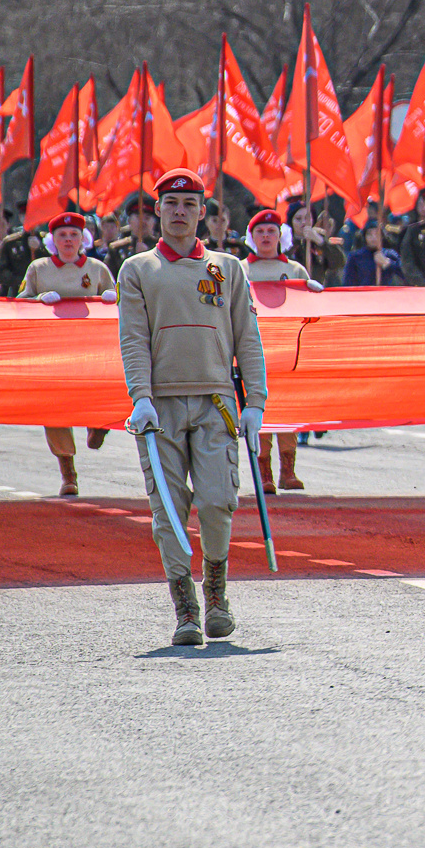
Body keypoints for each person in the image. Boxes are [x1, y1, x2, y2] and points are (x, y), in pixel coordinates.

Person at [116, 168, 266, 646]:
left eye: (189, 204)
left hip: (217, 402)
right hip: (159, 407)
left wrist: (255, 403)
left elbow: (249, 338)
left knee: (219, 500)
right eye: (171, 204)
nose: (179, 212)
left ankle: (217, 596)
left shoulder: (229, 268)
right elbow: (133, 340)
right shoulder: (137, 269)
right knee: (168, 512)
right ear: (157, 210)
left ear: (203, 212)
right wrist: (140, 396)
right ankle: (186, 610)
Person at [19, 212, 119, 494]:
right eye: (62, 235)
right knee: (54, 408)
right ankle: (68, 472)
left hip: (90, 348)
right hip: (52, 349)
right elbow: (19, 302)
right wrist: (38, 299)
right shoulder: (39, 268)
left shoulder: (98, 268)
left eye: (73, 235)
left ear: (82, 239)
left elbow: (116, 298)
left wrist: (111, 298)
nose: (68, 240)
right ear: (53, 240)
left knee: (97, 393)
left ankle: (97, 425)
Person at [241, 209, 324, 490]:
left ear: (281, 236)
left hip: (288, 351)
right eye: (260, 232)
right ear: (251, 237)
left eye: (271, 231)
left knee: (287, 409)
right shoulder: (241, 269)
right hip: (254, 350)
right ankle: (265, 475)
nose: (266, 237)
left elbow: (308, 308)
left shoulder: (297, 269)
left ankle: (288, 472)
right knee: (259, 408)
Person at [286, 199, 345, 286]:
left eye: (307, 218)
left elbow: (338, 262)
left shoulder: (319, 239)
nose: (303, 222)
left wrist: (319, 241)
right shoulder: (285, 242)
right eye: (298, 219)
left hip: (316, 290)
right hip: (292, 291)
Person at [104, 195, 157, 276]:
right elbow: (108, 278)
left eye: (147, 218)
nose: (142, 221)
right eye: (138, 217)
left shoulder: (159, 248)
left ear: (154, 222)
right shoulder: (116, 249)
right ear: (129, 221)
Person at [343, 218, 404, 285]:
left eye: (377, 234)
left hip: (385, 293)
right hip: (363, 293)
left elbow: (404, 274)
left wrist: (387, 263)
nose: (373, 237)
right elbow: (348, 282)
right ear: (365, 236)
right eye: (369, 234)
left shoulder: (390, 254)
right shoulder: (355, 257)